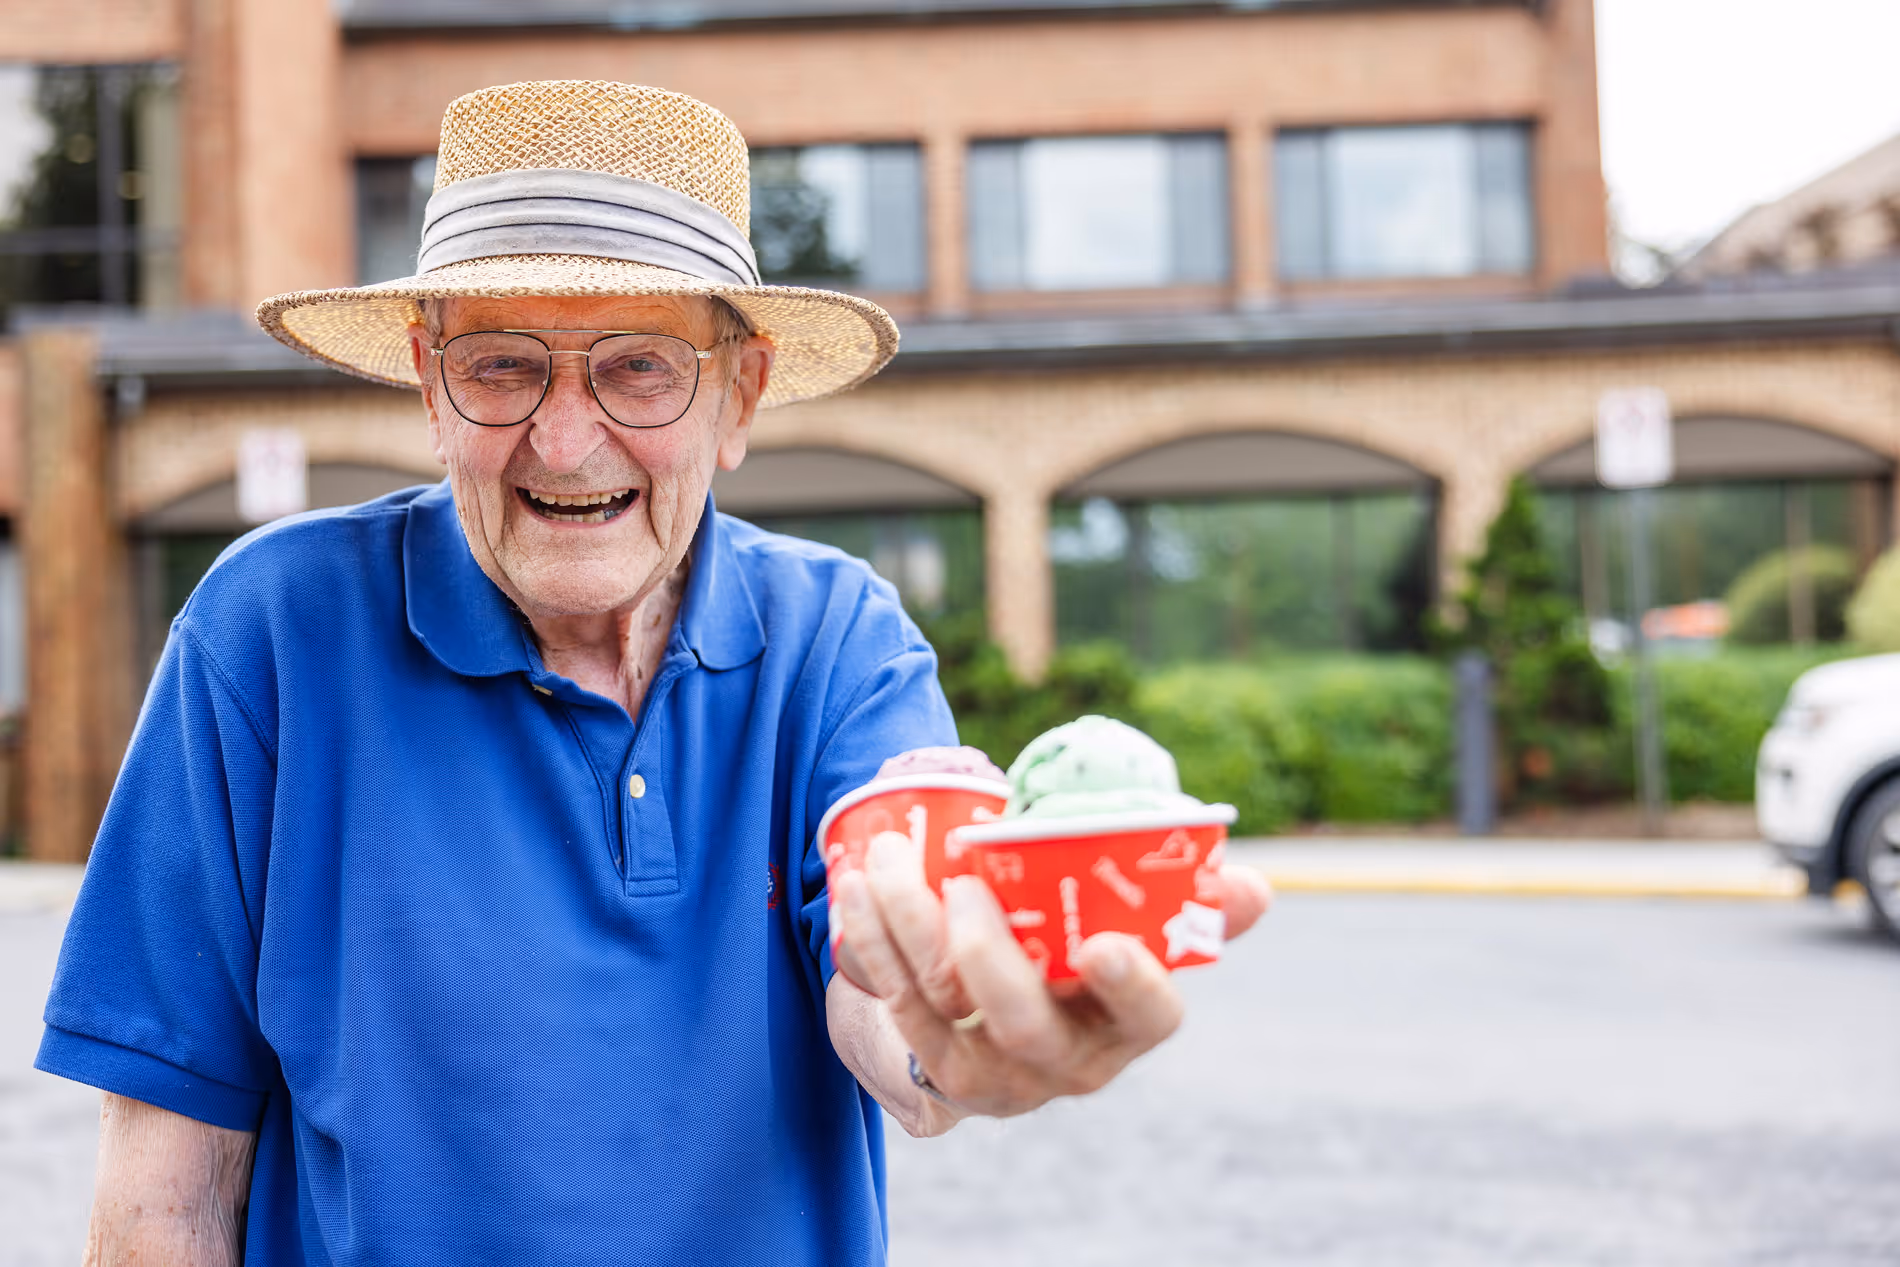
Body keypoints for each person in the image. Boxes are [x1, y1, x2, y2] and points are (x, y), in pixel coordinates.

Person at [38, 80, 1271, 1265]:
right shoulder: (267, 633)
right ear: (428, 381)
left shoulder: (839, 637)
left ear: (739, 395)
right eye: (502, 364)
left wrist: (955, 1041)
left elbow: (884, 978)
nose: (565, 440)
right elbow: (165, 1188)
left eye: (640, 366)